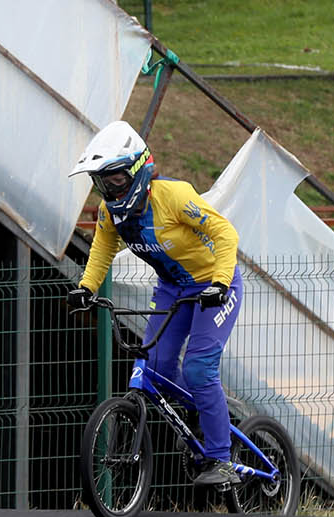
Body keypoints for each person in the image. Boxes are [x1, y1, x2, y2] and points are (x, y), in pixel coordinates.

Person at [64, 121, 244, 486]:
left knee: (198, 368)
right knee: (156, 370)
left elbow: (224, 233)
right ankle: (200, 407)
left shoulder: (172, 197)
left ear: (137, 171)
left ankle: (221, 459)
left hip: (213, 286)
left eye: (113, 179)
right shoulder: (110, 213)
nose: (107, 188)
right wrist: (86, 286)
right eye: (100, 181)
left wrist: (221, 282)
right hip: (172, 289)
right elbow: (102, 248)